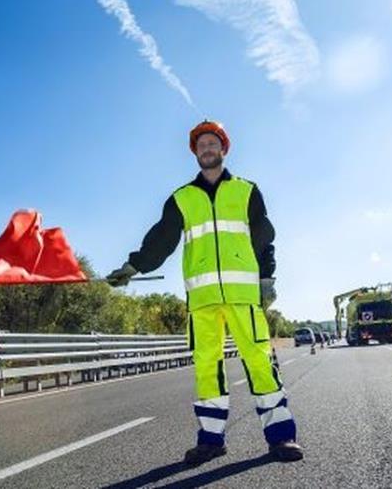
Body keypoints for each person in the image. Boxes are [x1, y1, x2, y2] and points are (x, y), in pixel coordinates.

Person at [106, 120, 303, 465]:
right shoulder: (182, 199)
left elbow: (263, 238)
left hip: (244, 298)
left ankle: (281, 438)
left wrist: (267, 279)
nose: (207, 149)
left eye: (212, 143)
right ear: (195, 154)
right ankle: (211, 441)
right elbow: (161, 240)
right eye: (201, 145)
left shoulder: (246, 191)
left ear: (223, 149)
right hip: (203, 302)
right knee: (206, 369)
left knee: (260, 362)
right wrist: (133, 267)